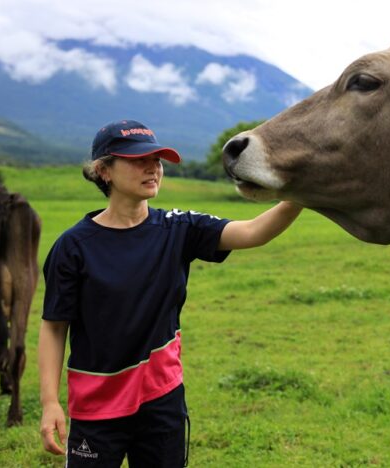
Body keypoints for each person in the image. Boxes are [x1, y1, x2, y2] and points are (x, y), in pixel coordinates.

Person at [38, 120, 302, 467]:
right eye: (137, 159)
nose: (153, 167)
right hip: (97, 407)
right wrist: (50, 402)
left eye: (157, 159)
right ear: (104, 171)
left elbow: (253, 231)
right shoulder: (73, 247)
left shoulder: (179, 227)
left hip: (161, 401)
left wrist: (303, 192)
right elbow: (54, 327)